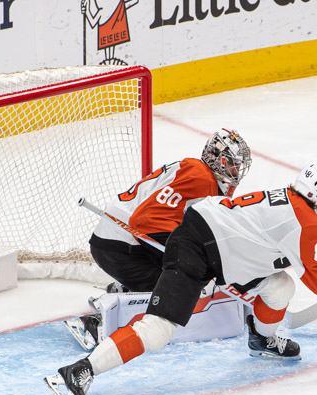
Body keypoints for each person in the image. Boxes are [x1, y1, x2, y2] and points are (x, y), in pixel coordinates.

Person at [45, 163, 317, 395]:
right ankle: (80, 371)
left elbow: (311, 258)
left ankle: (263, 339)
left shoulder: (285, 203)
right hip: (199, 252)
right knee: (158, 329)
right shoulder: (308, 223)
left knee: (280, 287)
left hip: (210, 243)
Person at [64, 128, 252, 351]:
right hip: (121, 247)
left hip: (116, 242)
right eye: (232, 164)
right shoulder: (201, 178)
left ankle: (126, 291)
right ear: (217, 161)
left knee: (189, 269)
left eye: (238, 165)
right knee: (180, 291)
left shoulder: (194, 170)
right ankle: (97, 323)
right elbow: (144, 220)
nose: (236, 171)